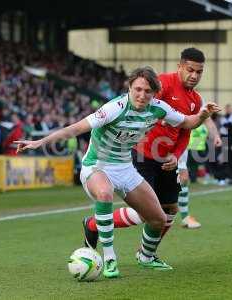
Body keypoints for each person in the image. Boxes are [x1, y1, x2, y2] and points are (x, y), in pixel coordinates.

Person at [14, 66, 220, 278]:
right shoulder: (115, 108)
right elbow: (75, 129)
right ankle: (110, 259)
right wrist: (40, 142)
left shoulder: (158, 108)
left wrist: (203, 114)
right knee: (104, 193)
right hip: (97, 166)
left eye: (147, 91)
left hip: (125, 168)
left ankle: (146, 257)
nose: (142, 95)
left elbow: (188, 122)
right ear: (130, 87)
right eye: (138, 89)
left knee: (158, 219)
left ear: (154, 93)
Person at [83, 48, 221, 249]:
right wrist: (159, 119)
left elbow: (185, 132)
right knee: (146, 212)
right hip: (143, 154)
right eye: (190, 70)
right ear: (180, 66)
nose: (194, 75)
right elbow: (144, 104)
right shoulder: (163, 83)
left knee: (170, 208)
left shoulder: (195, 100)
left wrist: (176, 155)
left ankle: (146, 253)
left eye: (199, 72)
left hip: (166, 159)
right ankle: (94, 224)